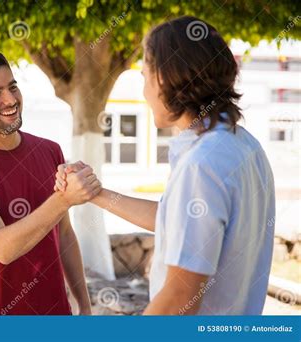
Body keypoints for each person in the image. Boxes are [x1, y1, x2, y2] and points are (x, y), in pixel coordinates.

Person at [55, 16, 275, 315]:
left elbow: (179, 297)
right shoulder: (244, 145)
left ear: (164, 78)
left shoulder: (202, 163)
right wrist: (96, 193)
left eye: (145, 76)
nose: (144, 93)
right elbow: (175, 220)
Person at [0, 48, 100, 315]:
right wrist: (63, 199)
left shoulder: (50, 151)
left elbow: (64, 234)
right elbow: (2, 248)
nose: (10, 99)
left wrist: (84, 305)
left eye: (12, 87)